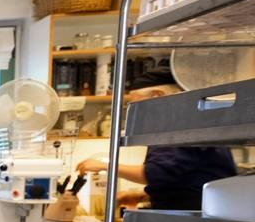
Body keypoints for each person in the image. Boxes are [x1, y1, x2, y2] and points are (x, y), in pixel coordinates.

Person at [76, 84, 237, 210]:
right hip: (207, 214)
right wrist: (140, 196)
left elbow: (156, 172)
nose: (135, 112)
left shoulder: (175, 124)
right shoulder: (193, 120)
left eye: (136, 103)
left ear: (157, 95)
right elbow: (187, 178)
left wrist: (104, 165)